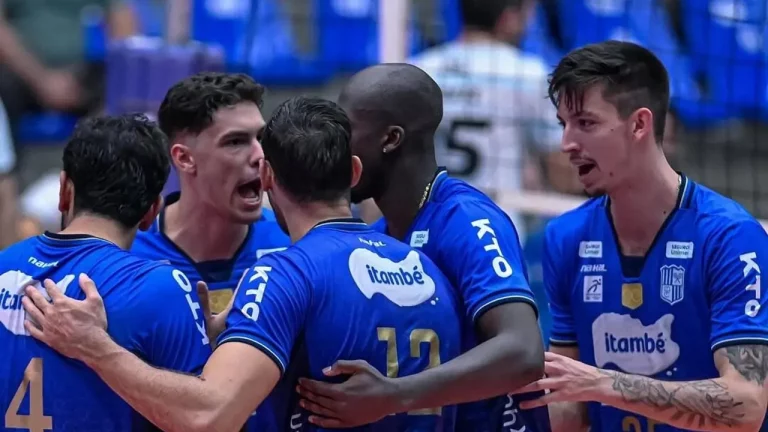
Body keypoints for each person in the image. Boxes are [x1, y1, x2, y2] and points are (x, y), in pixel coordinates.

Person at [22, 96, 465, 432]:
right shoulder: (428, 268)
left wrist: (95, 347)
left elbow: (210, 415)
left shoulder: (284, 273)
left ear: (267, 176)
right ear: (353, 173)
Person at [502, 40, 768, 432]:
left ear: (639, 125)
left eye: (586, 123)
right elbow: (570, 407)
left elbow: (746, 405)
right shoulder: (565, 237)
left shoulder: (730, 237)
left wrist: (603, 384)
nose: (567, 144)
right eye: (563, 124)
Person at [296, 63, 548, 431]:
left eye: (345, 131)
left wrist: (393, 395)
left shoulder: (467, 220)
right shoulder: (377, 237)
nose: (333, 147)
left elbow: (524, 352)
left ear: (390, 139)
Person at [1, 114, 211, 430]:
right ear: (152, 211)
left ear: (64, 191)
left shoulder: (4, 263)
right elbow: (207, 419)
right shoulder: (161, 289)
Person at [408, 0, 579, 239]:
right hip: (496, 230)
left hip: (430, 229)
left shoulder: (420, 70)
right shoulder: (528, 75)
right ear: (509, 17)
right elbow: (563, 176)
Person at [131, 72, 290, 315]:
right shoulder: (132, 255)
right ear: (184, 158)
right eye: (235, 142)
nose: (260, 155)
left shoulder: (290, 245)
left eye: (260, 138)